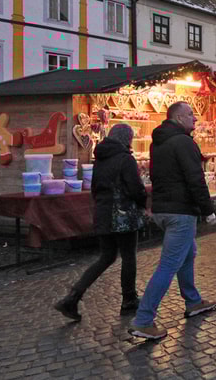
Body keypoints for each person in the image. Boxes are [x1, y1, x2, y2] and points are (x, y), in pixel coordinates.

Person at [129, 102, 216, 341]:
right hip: (181, 211)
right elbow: (195, 178)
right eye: (190, 114)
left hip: (163, 209)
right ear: (178, 118)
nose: (195, 119)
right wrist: (208, 209)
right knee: (169, 264)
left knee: (188, 253)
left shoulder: (158, 143)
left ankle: (193, 301)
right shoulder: (184, 142)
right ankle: (143, 320)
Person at [54, 124, 148, 321]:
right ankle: (129, 299)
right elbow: (135, 188)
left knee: (106, 257)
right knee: (128, 256)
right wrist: (142, 202)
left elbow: (95, 187)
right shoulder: (126, 159)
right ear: (127, 139)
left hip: (103, 213)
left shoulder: (100, 159)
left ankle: (72, 297)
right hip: (123, 214)